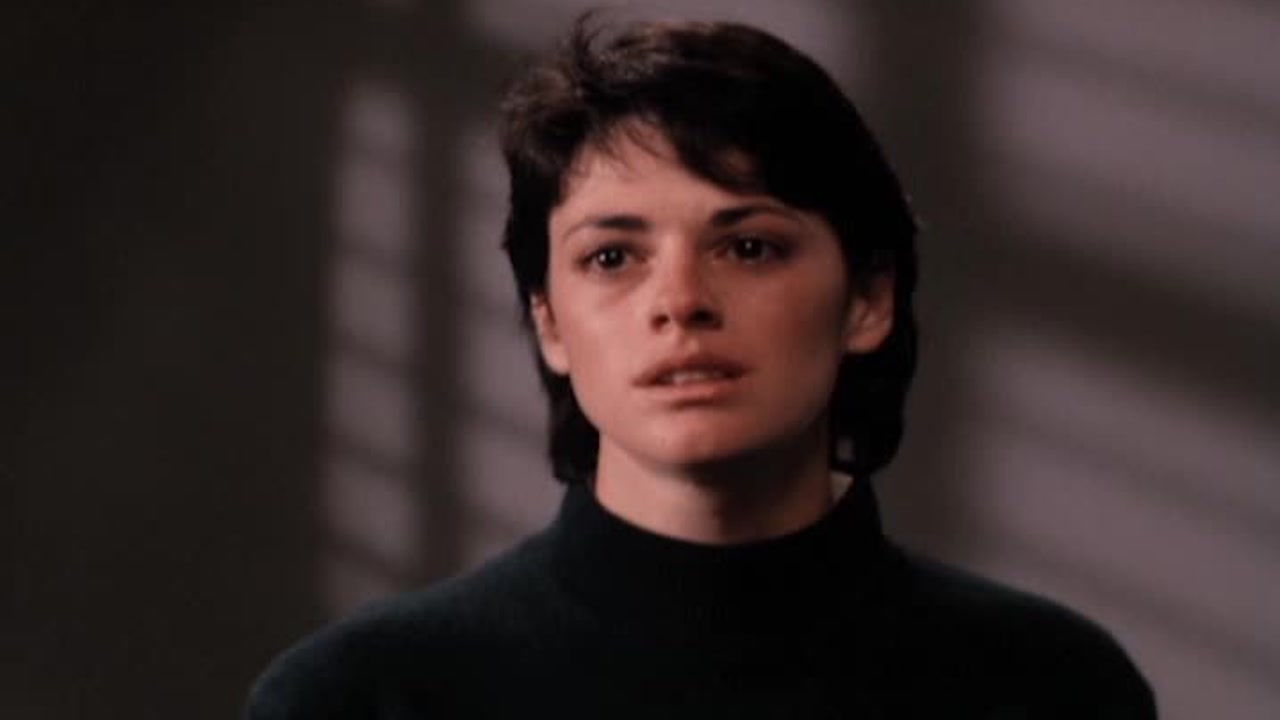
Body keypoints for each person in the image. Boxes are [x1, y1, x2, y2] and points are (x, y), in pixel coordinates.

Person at [246, 16, 1156, 719]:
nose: (680, 300)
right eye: (612, 257)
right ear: (549, 322)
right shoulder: (359, 700)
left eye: (750, 247)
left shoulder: (1052, 688)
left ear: (868, 299)